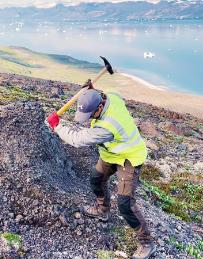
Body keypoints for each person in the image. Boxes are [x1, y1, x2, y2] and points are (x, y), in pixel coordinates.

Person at [46, 80, 156, 259]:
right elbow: (112, 91)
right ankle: (102, 210)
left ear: (99, 107)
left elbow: (78, 140)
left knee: (125, 204)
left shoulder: (106, 127)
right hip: (111, 153)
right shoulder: (110, 96)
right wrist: (91, 90)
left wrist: (56, 126)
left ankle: (147, 244)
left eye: (90, 114)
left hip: (129, 158)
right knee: (96, 178)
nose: (88, 118)